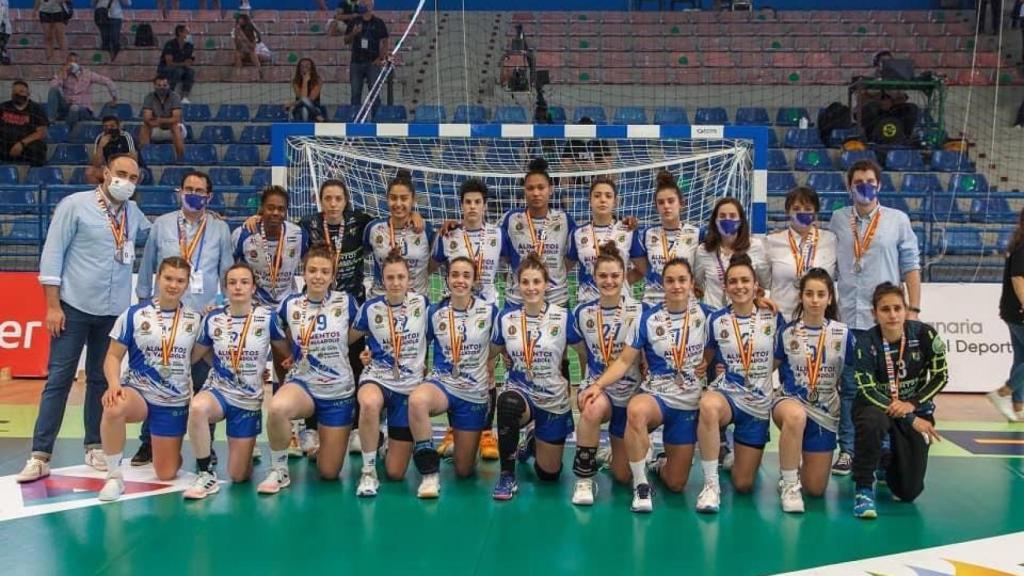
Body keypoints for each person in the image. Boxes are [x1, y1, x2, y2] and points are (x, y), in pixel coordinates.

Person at [16, 154, 149, 484]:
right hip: (72, 307)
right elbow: (53, 254)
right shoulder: (74, 205)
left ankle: (94, 445)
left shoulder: (133, 213)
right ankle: (40, 454)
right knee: (59, 379)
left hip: (112, 312)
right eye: (121, 174)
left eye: (133, 177)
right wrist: (52, 306)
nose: (126, 181)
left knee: (100, 380)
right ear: (105, 174)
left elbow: (162, 232)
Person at [585, 256, 711, 512]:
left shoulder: (706, 315)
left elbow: (727, 335)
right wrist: (598, 385)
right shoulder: (648, 318)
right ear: (662, 284)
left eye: (682, 280)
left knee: (676, 484)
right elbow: (623, 361)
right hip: (657, 397)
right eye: (670, 280)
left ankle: (658, 464)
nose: (676, 286)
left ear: (691, 283)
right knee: (637, 409)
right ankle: (641, 486)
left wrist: (759, 300)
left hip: (687, 404)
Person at [132, 170, 233, 466]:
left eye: (200, 190)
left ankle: (207, 445)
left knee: (205, 385)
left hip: (202, 321)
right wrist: (143, 306)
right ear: (179, 191)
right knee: (157, 381)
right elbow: (148, 263)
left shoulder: (220, 229)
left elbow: (226, 273)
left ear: (209, 196)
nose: (194, 193)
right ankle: (148, 443)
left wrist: (220, 307)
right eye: (189, 188)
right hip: (165, 318)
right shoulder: (161, 225)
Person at [828, 159, 921, 476]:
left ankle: (884, 451)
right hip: (849, 319)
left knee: (886, 388)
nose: (864, 186)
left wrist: (914, 309)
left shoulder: (897, 220)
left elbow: (910, 265)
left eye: (870, 181)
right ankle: (848, 450)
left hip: (885, 322)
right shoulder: (839, 219)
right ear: (849, 186)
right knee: (850, 388)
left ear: (879, 185)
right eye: (858, 182)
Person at [258, 248, 364, 495]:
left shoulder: (346, 301)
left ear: (332, 276)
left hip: (338, 390)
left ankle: (327, 445)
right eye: (312, 270)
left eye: (325, 271)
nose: (318, 276)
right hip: (303, 384)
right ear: (303, 274)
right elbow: (274, 333)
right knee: (277, 408)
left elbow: (360, 333)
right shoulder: (290, 304)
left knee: (328, 473)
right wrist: (290, 355)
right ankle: (279, 469)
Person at [96, 257, 202, 501]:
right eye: (168, 278)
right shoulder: (134, 314)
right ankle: (114, 477)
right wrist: (114, 385)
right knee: (114, 407)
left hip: (173, 400)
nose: (173, 285)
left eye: (180, 281)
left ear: (187, 285)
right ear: (158, 278)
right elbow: (112, 356)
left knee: (166, 473)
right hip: (139, 392)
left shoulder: (195, 320)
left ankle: (170, 454)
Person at [183, 263, 289, 499]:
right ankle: (205, 474)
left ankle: (249, 450)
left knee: (239, 475)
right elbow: (195, 355)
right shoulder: (213, 318)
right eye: (232, 283)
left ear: (253, 288)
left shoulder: (267, 318)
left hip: (248, 400)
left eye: (244, 282)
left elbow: (286, 353)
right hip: (218, 391)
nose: (238, 287)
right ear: (225, 287)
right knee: (198, 408)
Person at [696, 254, 785, 514]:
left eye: (745, 280)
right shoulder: (716, 319)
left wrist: (760, 373)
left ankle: (736, 457)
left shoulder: (774, 318)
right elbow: (707, 356)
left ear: (757, 285)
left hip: (757, 404)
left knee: (743, 484)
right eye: (733, 281)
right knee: (708, 405)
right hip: (728, 395)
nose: (739, 286)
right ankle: (711, 485)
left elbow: (782, 355)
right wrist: (700, 366)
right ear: (725, 287)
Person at [851, 283, 947, 519]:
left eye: (897, 308)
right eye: (885, 309)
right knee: (872, 423)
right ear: (875, 313)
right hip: (876, 407)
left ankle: (887, 462)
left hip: (913, 406)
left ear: (905, 309)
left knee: (908, 493)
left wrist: (912, 404)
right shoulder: (865, 343)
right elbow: (867, 389)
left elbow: (940, 375)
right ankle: (863, 488)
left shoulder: (924, 335)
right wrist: (910, 417)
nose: (892, 315)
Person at [490, 254, 581, 500]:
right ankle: (507, 476)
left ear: (546, 285)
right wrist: (488, 374)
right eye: (525, 282)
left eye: (536, 282)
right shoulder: (506, 318)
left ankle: (531, 442)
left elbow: (584, 353)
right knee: (507, 404)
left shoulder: (563, 317)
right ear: (518, 285)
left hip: (553, 398)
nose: (531, 288)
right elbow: (491, 353)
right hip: (521, 391)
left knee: (549, 475)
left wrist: (582, 385)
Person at [408, 257, 498, 498]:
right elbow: (418, 345)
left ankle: (467, 442)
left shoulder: (489, 311)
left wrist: (492, 364)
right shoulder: (434, 311)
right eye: (455, 275)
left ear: (474, 280)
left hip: (473, 392)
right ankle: (429, 475)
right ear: (447, 279)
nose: (460, 280)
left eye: (466, 275)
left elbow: (500, 346)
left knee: (464, 470)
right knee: (417, 401)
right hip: (443, 384)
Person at [569, 242, 646, 506]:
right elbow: (580, 353)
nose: (609, 281)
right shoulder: (582, 313)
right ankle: (584, 479)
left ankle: (619, 454)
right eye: (603, 275)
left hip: (632, 391)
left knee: (622, 476)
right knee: (590, 408)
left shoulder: (640, 311)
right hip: (600, 390)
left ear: (624, 277)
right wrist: (586, 385)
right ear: (594, 277)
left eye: (615, 275)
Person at [431, 178, 503, 460]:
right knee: (455, 366)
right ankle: (453, 429)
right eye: (467, 202)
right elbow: (432, 264)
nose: (472, 207)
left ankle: (486, 433)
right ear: (460, 206)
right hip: (456, 310)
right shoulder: (449, 235)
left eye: (477, 202)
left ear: (485, 206)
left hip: (487, 310)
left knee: (487, 371)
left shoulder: (498, 235)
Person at [773, 269, 855, 513]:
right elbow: (766, 369)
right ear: (801, 297)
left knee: (816, 490)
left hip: (825, 412)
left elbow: (852, 381)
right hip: (789, 402)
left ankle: (795, 469)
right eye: (809, 294)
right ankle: (789, 483)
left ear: (830, 298)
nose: (815, 300)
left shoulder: (843, 334)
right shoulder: (787, 332)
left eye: (821, 294)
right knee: (795, 416)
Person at [351, 248, 431, 497]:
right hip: (377, 377)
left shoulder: (423, 305)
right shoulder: (370, 308)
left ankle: (383, 441)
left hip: (409, 386)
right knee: (369, 402)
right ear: (382, 280)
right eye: (390, 278)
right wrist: (362, 354)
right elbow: (347, 340)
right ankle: (368, 472)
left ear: (409, 279)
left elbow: (436, 337)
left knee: (396, 473)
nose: (395, 283)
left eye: (400, 277)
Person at [500, 157, 576, 308]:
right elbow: (492, 243)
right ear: (524, 191)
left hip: (556, 299)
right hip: (518, 299)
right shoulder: (511, 218)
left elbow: (574, 254)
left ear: (551, 189)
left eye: (541, 187)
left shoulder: (563, 219)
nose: (536, 193)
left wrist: (555, 272)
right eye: (530, 188)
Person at [763, 186, 839, 320]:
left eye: (808, 209)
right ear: (788, 212)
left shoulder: (831, 240)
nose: (802, 213)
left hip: (820, 320)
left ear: (816, 212)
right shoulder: (772, 241)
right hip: (782, 319)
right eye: (796, 209)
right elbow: (763, 281)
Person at [630, 169, 701, 305]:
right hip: (652, 304)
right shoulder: (647, 234)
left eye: (671, 201)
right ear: (656, 207)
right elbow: (639, 266)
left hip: (685, 306)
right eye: (661, 202)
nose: (666, 206)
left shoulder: (697, 234)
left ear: (681, 203)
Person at [232, 186, 309, 309]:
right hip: (255, 306)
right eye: (270, 208)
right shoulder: (243, 234)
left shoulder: (299, 234)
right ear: (262, 208)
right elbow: (231, 268)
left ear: (286, 211)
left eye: (281, 209)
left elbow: (310, 264)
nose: (275, 213)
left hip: (288, 306)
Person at [364, 169, 434, 298]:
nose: (398, 203)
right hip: (380, 301)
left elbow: (436, 261)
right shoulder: (373, 228)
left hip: (415, 304)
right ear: (387, 199)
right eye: (393, 198)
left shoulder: (425, 229)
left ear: (413, 200)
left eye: (404, 198)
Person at [568, 177, 635, 305]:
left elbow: (643, 269)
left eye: (608, 196)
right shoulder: (578, 233)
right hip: (587, 303)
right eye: (597, 196)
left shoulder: (628, 230)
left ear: (615, 201)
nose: (603, 200)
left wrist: (623, 281)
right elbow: (564, 268)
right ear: (590, 201)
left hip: (620, 302)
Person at [694, 197, 770, 310]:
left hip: (745, 316)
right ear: (715, 220)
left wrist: (757, 297)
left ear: (741, 220)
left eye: (732, 216)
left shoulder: (755, 246)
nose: (727, 220)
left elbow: (765, 284)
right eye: (722, 216)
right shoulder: (704, 250)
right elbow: (697, 285)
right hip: (713, 315)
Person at [990, 207, 1024, 421]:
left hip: (1012, 312)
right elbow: (1018, 278)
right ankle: (1003, 392)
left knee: (1021, 357)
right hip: (1019, 312)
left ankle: (1018, 406)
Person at [46, 52, 118, 131]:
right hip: (66, 107)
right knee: (54, 90)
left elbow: (108, 81)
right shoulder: (64, 74)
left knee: (74, 108)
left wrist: (114, 98)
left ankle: (68, 130)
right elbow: (53, 86)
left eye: (75, 62)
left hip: (83, 109)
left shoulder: (88, 74)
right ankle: (50, 121)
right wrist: (61, 74)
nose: (73, 64)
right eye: (70, 62)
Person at [344, 0, 389, 110]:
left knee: (374, 94)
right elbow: (345, 40)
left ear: (372, 5)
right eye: (363, 3)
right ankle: (355, 119)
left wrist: (381, 58)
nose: (364, 5)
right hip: (356, 61)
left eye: (367, 3)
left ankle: (375, 119)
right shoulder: (354, 21)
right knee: (355, 93)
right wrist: (353, 33)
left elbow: (385, 41)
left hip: (373, 62)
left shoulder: (379, 22)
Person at [0, 80, 48, 167]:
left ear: (28, 94)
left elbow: (42, 132)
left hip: (25, 146)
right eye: (15, 92)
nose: (17, 94)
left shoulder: (36, 109)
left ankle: (35, 175)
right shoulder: (3, 107)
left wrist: (21, 144)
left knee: (38, 148)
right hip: (4, 146)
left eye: (21, 91)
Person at [140, 75, 186, 161]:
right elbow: (147, 118)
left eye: (164, 85)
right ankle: (145, 156)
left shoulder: (175, 97)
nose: (162, 88)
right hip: (156, 127)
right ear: (154, 86)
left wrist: (161, 120)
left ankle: (180, 157)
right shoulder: (149, 97)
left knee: (175, 126)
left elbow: (176, 118)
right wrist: (158, 122)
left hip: (175, 128)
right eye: (159, 85)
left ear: (169, 85)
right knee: (145, 127)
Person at [85, 115, 137, 184]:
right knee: (90, 172)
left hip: (125, 168)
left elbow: (134, 159)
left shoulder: (126, 136)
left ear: (118, 127)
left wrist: (116, 157)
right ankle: (101, 194)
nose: (109, 129)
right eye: (106, 127)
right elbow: (96, 164)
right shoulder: (100, 138)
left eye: (112, 126)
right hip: (110, 170)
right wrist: (100, 146)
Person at [157, 25, 195, 103]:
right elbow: (169, 63)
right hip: (165, 68)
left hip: (181, 67)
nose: (188, 34)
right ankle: (169, 94)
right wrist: (183, 64)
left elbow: (188, 59)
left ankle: (184, 97)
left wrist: (189, 62)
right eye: (186, 32)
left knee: (190, 72)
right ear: (180, 33)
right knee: (178, 71)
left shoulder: (189, 45)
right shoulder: (170, 44)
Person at [286, 58, 325, 122]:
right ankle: (317, 116)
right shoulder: (295, 81)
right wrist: (305, 80)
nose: (305, 67)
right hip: (299, 107)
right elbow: (302, 98)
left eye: (307, 65)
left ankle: (314, 117)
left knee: (305, 107)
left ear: (312, 68)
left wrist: (292, 104)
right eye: (302, 65)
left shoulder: (318, 80)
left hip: (314, 106)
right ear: (299, 68)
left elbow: (311, 99)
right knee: (303, 108)